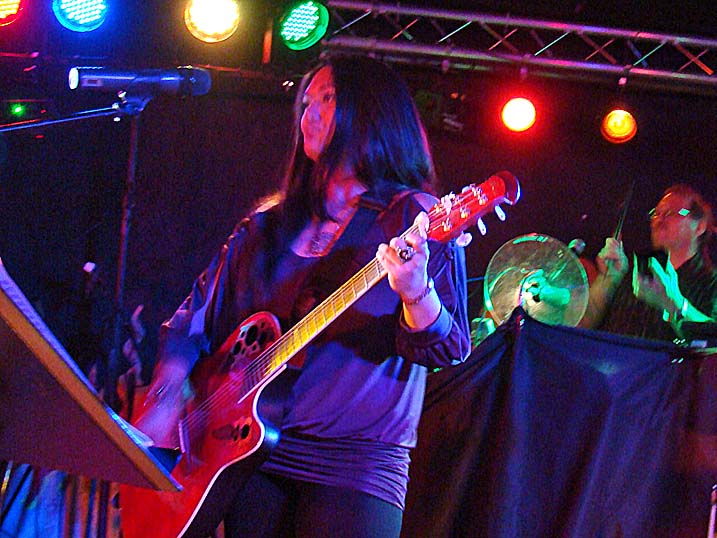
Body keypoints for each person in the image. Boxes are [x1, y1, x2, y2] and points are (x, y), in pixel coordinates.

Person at [131, 55, 471, 537]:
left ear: (372, 111)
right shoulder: (266, 227)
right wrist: (166, 398)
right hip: (250, 451)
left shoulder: (414, 218)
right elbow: (193, 321)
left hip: (357, 464)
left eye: (327, 99)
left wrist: (416, 293)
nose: (309, 113)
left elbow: (447, 345)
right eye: (306, 102)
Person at [579, 183, 717, 341]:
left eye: (671, 212)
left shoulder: (712, 283)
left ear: (699, 227)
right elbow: (581, 326)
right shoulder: (634, 272)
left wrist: (673, 304)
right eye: (656, 213)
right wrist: (609, 279)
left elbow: (713, 343)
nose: (659, 219)